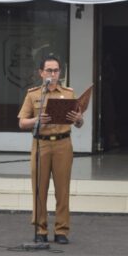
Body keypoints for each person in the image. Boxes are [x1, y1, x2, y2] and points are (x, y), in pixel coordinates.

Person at [18, 55, 83, 244]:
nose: (53, 74)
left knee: (62, 190)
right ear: (41, 73)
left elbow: (79, 123)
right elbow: (22, 122)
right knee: (40, 188)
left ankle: (61, 230)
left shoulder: (69, 93)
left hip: (63, 144)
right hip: (41, 144)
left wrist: (78, 119)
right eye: (49, 70)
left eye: (56, 71)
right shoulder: (34, 94)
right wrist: (36, 121)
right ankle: (40, 229)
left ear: (60, 73)